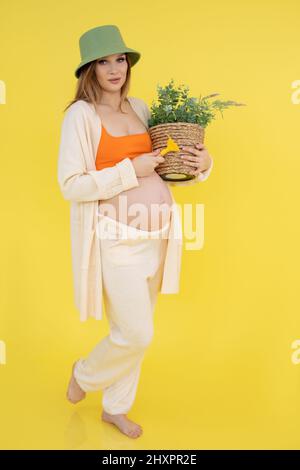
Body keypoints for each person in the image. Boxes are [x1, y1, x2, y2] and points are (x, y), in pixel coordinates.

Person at [58, 25, 213, 439]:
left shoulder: (140, 109)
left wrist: (202, 165)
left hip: (157, 237)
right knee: (136, 332)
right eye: (104, 61)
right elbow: (71, 184)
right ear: (89, 69)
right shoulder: (81, 116)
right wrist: (130, 171)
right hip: (115, 239)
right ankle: (85, 375)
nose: (115, 69)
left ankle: (116, 407)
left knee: (133, 333)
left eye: (120, 59)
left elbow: (165, 169)